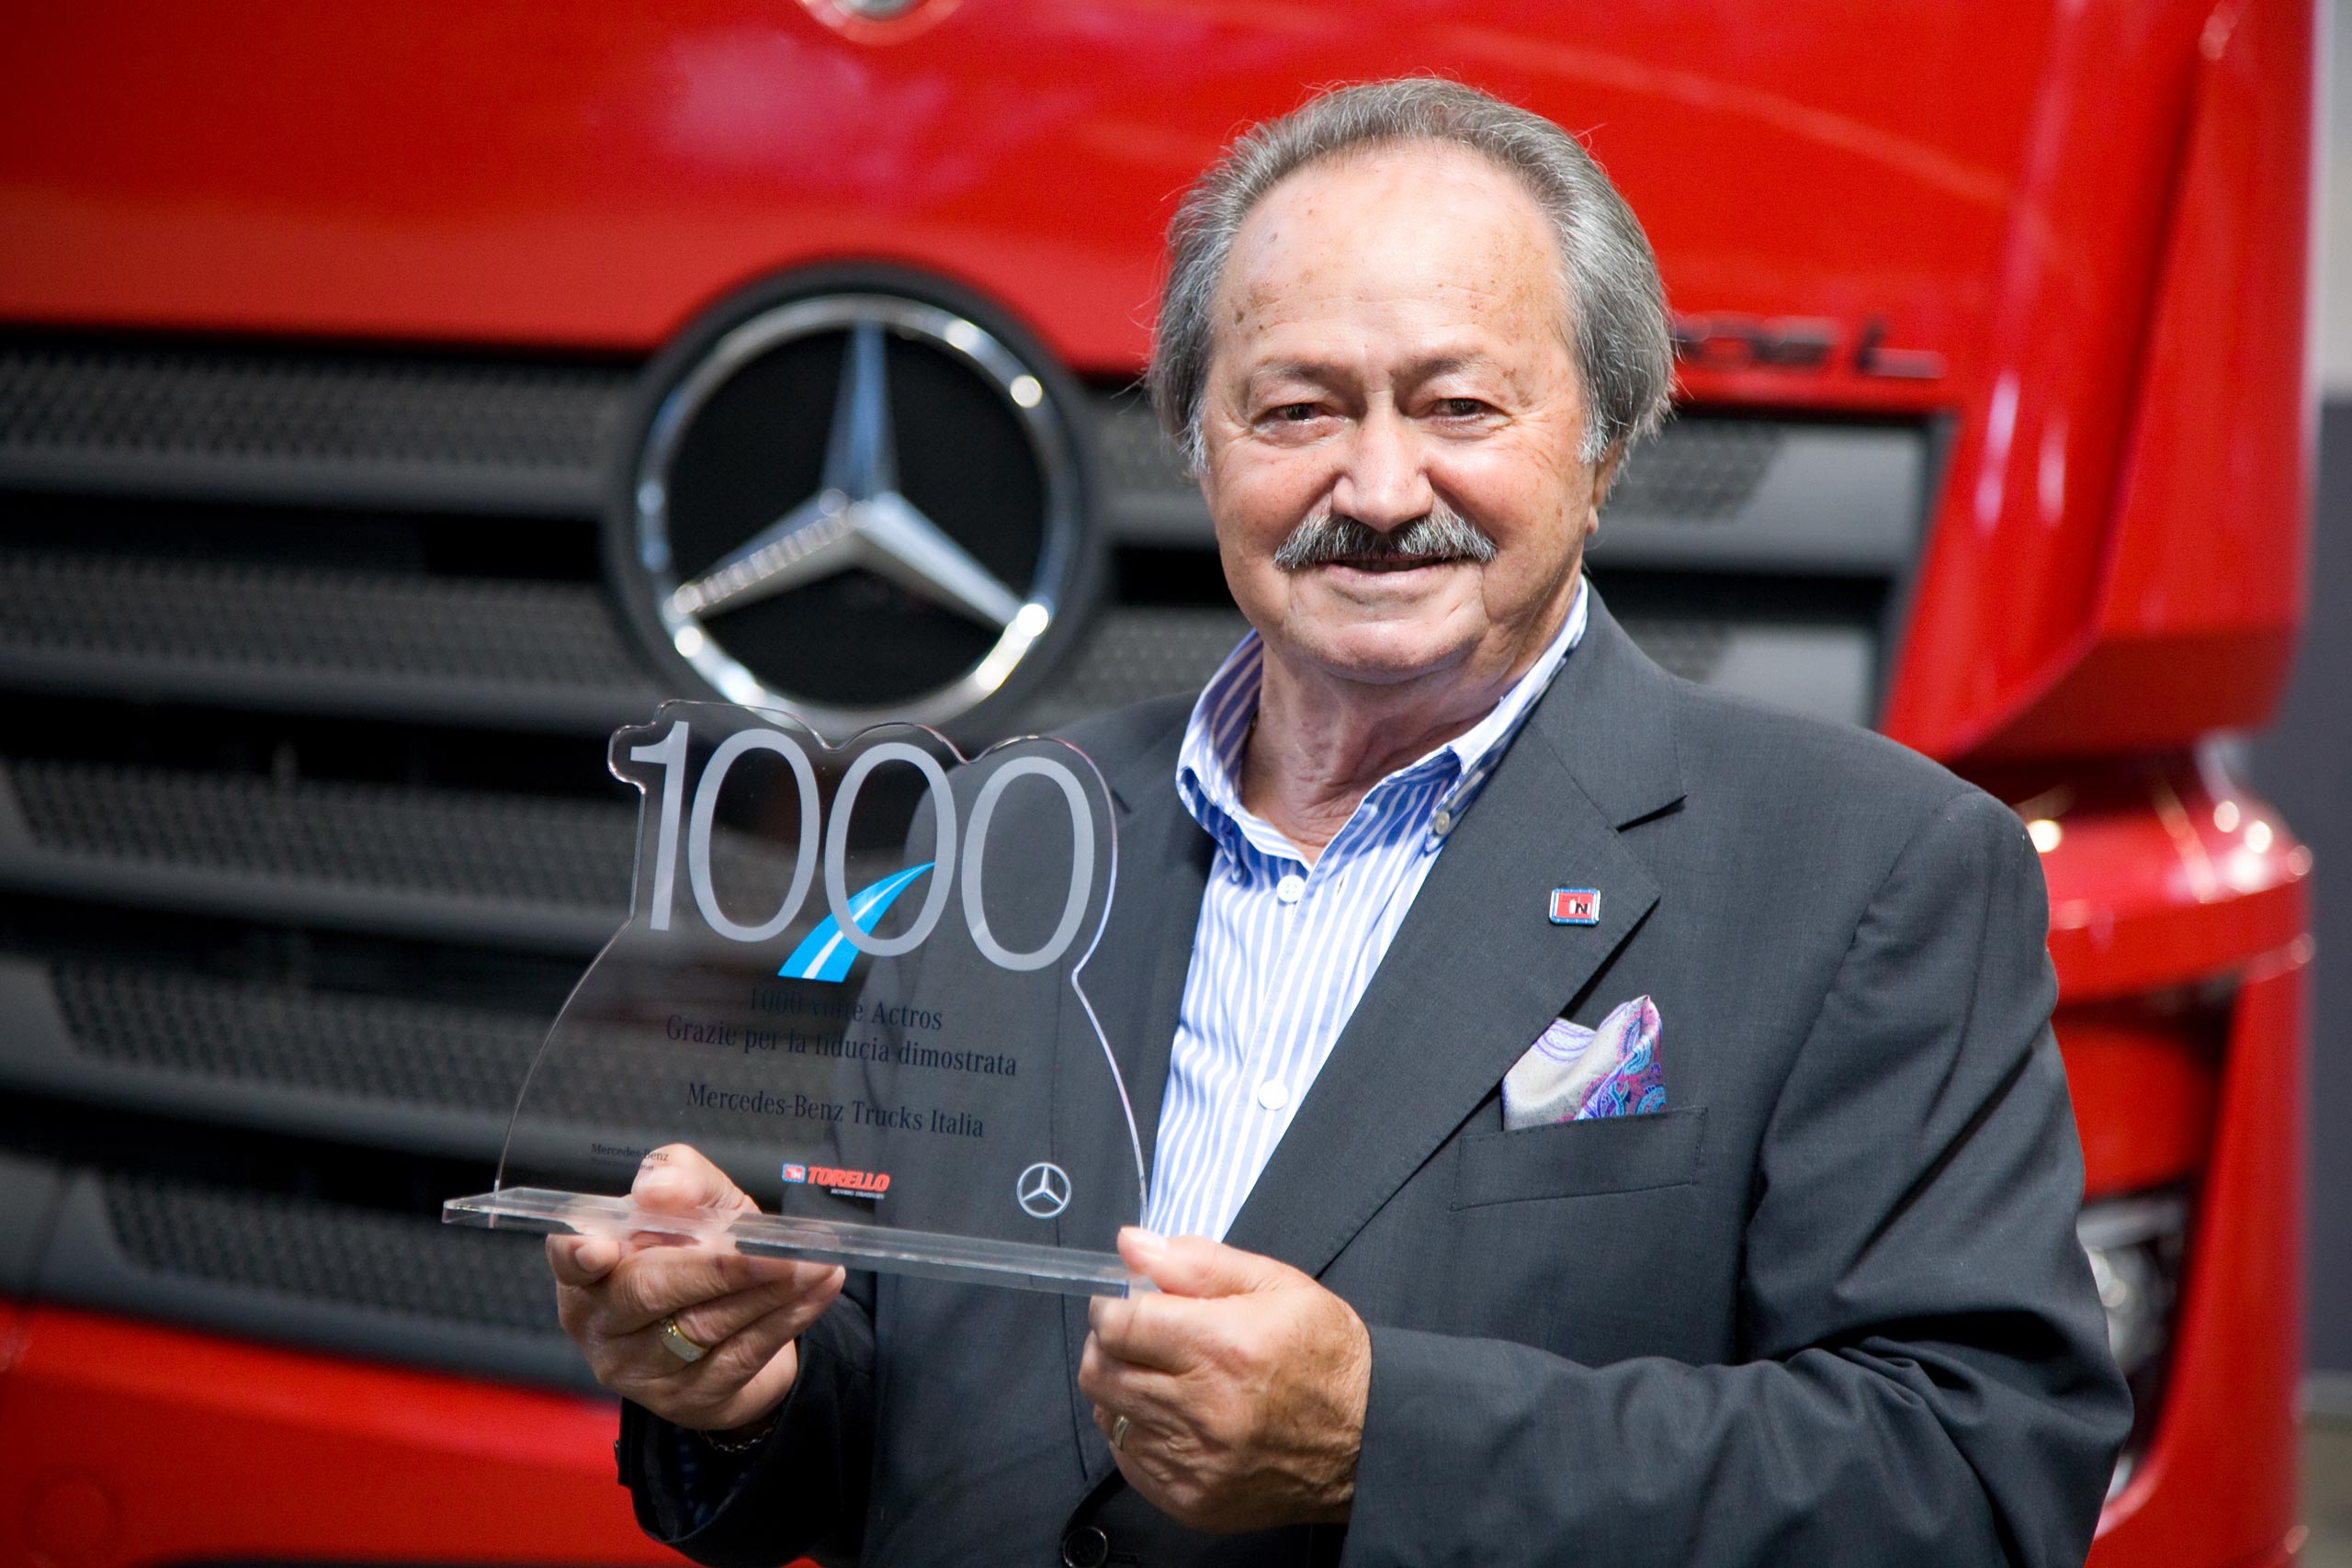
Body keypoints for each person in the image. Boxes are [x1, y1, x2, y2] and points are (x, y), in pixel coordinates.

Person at [548, 78, 2131, 1565]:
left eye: (1460, 405)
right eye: (1297, 409)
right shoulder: (1012, 833)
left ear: (1603, 444)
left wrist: (1388, 1440)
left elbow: (1975, 1477)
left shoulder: (1866, 870)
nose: (1377, 490)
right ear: (1200, 445)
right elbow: (914, 1395)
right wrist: (741, 1378)